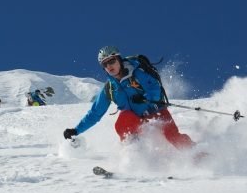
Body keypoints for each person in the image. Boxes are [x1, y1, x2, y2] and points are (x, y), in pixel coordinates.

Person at [64, 46, 195, 150]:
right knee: (123, 121)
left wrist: (145, 98)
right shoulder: (110, 88)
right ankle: (135, 156)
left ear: (119, 60)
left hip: (155, 111)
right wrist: (76, 130)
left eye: (112, 61)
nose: (109, 66)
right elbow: (95, 113)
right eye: (105, 64)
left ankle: (197, 155)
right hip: (136, 118)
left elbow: (155, 87)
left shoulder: (137, 72)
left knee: (173, 136)